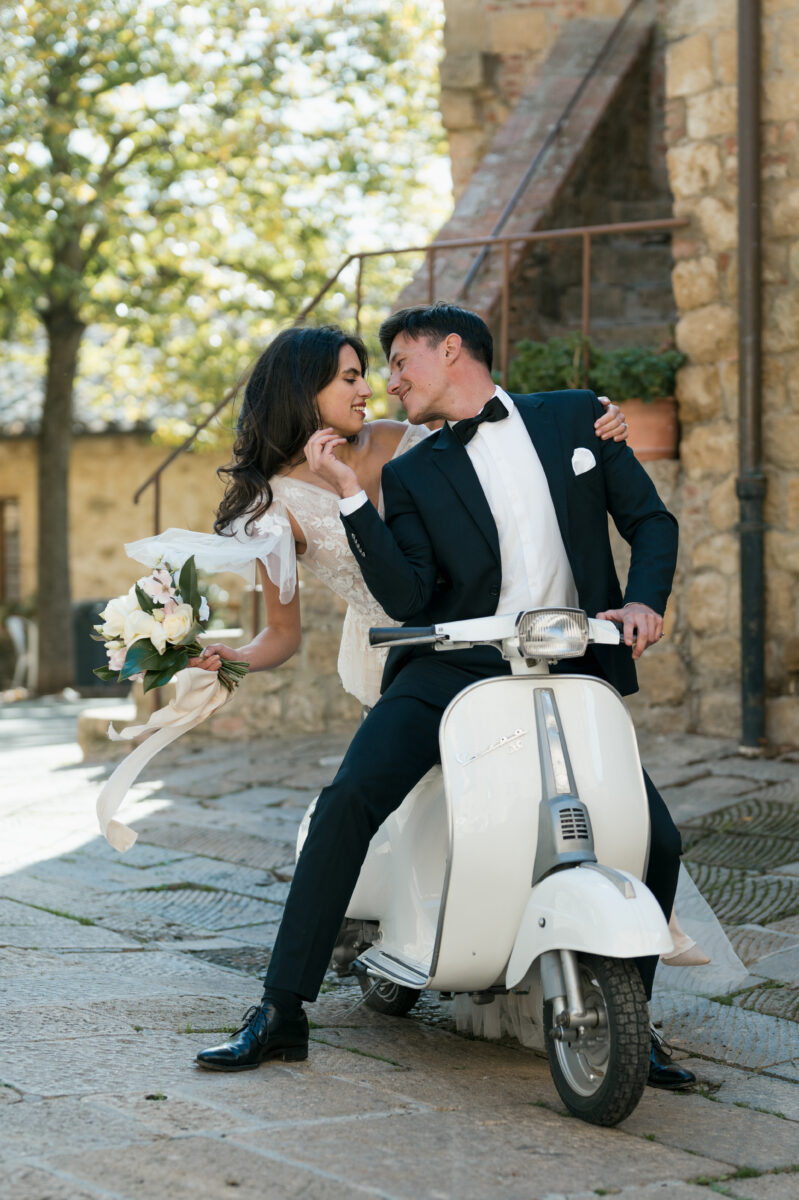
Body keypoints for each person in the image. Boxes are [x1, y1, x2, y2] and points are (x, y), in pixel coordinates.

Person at [195, 306, 695, 1090]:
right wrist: (350, 500)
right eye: (366, 372)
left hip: (568, 670)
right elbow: (404, 593)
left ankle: (632, 1017)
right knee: (350, 798)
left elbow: (649, 520)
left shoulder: (574, 417)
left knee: (656, 840)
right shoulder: (410, 470)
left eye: (394, 362)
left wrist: (642, 600)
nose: (385, 383)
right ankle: (280, 1009)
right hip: (446, 667)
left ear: (450, 350)